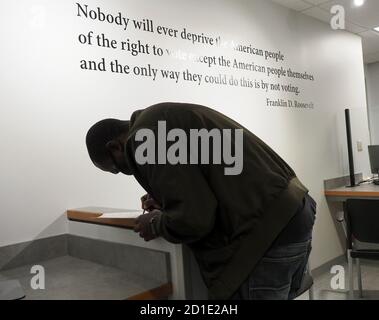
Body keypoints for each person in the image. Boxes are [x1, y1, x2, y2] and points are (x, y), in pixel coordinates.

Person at [85, 102, 316, 300]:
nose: (123, 172)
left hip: (265, 234)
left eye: (116, 169)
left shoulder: (144, 137)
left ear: (115, 146)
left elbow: (195, 218)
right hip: (292, 212)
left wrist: (155, 223)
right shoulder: (161, 119)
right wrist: (166, 199)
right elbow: (210, 180)